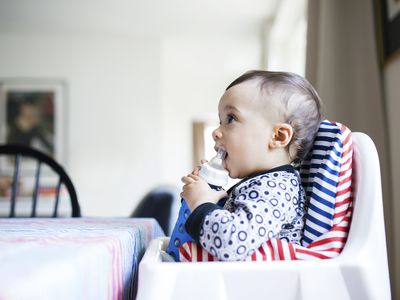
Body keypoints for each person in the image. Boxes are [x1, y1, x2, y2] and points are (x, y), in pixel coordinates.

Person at [180, 70, 322, 261]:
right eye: (220, 121)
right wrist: (212, 195)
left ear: (278, 136)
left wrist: (201, 203)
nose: (215, 132)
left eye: (231, 119)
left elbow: (232, 242)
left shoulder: (277, 189)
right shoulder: (263, 183)